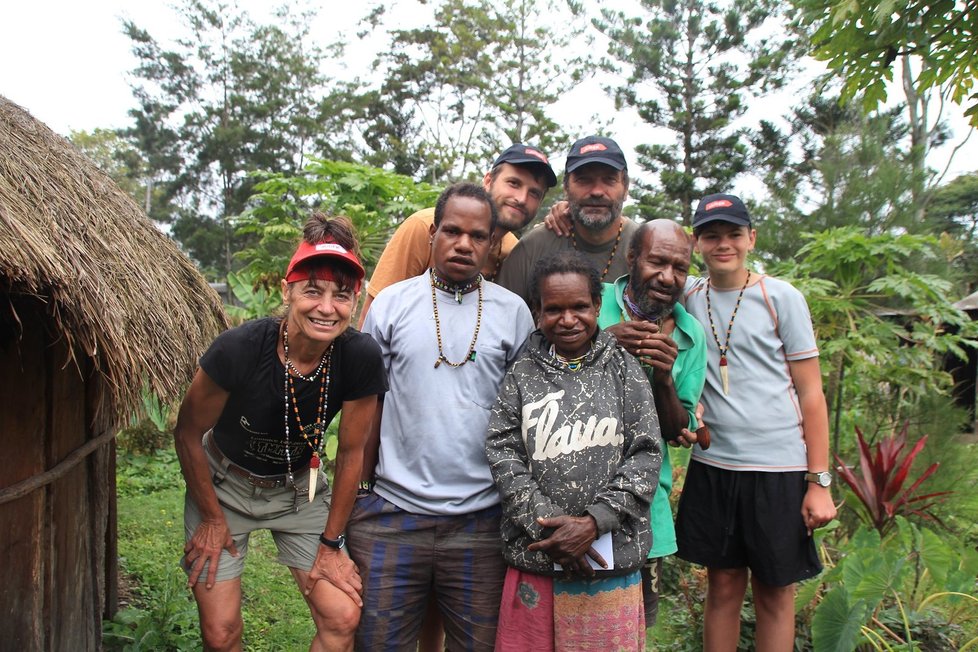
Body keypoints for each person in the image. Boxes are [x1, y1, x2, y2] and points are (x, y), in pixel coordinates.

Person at [173, 214, 387, 652]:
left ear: (354, 301)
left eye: (341, 296)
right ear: (288, 291)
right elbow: (187, 432)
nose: (327, 308)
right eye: (312, 291)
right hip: (224, 487)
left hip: (298, 491)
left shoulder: (359, 356)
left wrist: (330, 544)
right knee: (221, 632)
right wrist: (212, 519)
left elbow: (350, 455)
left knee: (342, 616)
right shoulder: (240, 348)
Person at [348, 182, 535, 651]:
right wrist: (362, 494)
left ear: (493, 243)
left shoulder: (514, 314)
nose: (463, 244)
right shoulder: (391, 305)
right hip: (392, 515)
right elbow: (367, 410)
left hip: (482, 522)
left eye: (477, 236)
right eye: (452, 231)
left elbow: (525, 418)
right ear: (432, 233)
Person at [675, 194, 837, 651]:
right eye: (711, 235)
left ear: (751, 238)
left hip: (779, 470)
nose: (723, 244)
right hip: (715, 466)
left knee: (774, 592)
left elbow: (812, 393)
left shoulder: (780, 297)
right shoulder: (687, 295)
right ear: (696, 242)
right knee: (722, 587)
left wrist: (818, 482)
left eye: (733, 234)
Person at [486, 251, 662, 651]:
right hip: (538, 557)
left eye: (580, 306)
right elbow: (503, 450)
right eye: (554, 309)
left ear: (598, 305)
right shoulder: (521, 373)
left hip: (609, 562)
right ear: (537, 311)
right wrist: (553, 527)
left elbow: (646, 453)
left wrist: (594, 523)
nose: (568, 319)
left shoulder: (623, 368)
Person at [596, 219, 707, 629]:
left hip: (644, 508)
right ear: (632, 258)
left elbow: (678, 432)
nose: (667, 276)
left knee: (632, 631)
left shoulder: (691, 335)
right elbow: (544, 376)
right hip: (574, 497)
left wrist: (663, 378)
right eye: (657, 262)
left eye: (680, 268)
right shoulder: (592, 299)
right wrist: (600, 343)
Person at [357, 143, 557, 329]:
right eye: (513, 183)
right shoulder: (423, 226)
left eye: (534, 193)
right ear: (488, 181)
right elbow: (374, 316)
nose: (521, 199)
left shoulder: (512, 250)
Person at [496, 135, 639, 307]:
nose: (596, 191)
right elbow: (500, 322)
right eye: (584, 180)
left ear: (625, 188)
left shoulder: (647, 248)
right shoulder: (533, 248)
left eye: (609, 179)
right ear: (566, 188)